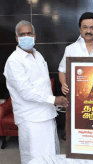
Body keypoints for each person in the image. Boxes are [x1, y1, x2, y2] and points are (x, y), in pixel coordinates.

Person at [3, 20, 69, 164]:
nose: (26, 37)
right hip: (31, 119)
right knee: (35, 158)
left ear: (35, 36)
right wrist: (54, 100)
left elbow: (43, 86)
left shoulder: (38, 55)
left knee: (51, 156)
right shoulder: (14, 61)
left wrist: (54, 103)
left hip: (47, 115)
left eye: (29, 33)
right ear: (16, 38)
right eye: (22, 34)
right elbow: (26, 92)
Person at [58, 12, 93, 95]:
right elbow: (62, 71)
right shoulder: (70, 49)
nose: (88, 31)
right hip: (76, 94)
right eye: (85, 27)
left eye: (92, 28)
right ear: (80, 29)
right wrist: (63, 84)